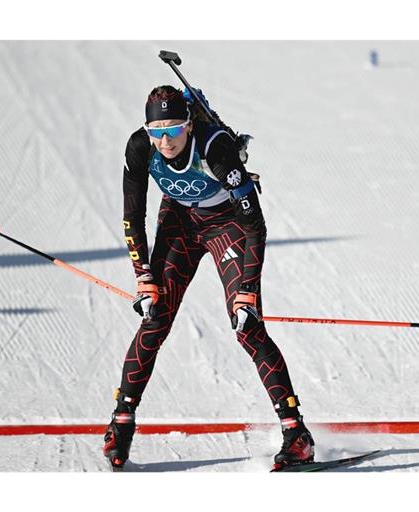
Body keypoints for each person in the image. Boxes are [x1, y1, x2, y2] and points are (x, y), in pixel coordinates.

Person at [103, 85, 314, 471]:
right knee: (155, 318)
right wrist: (143, 276)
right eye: (157, 131)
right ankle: (120, 426)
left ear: (188, 123)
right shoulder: (140, 148)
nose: (165, 140)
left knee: (246, 325)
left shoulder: (215, 147)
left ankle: (296, 434)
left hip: (227, 225)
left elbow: (254, 224)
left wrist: (247, 291)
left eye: (173, 130)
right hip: (180, 223)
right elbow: (133, 216)